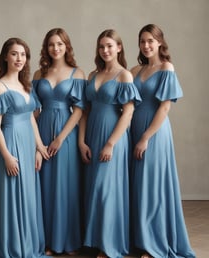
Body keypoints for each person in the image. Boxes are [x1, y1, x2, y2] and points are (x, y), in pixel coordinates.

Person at [130, 24, 196, 258]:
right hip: (133, 129)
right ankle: (139, 239)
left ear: (159, 42)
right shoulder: (135, 70)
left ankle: (154, 243)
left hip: (154, 132)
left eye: (150, 40)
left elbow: (165, 107)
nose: (146, 45)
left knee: (152, 186)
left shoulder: (167, 67)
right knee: (137, 186)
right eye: (142, 41)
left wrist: (145, 137)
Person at [78, 29, 141, 258]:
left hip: (113, 137)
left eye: (109, 46)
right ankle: (94, 241)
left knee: (108, 190)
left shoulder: (124, 75)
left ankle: (110, 244)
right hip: (92, 136)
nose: (105, 50)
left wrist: (111, 144)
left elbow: (128, 112)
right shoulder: (93, 75)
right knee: (93, 187)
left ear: (119, 48)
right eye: (101, 46)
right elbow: (84, 112)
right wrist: (81, 141)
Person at [0, 37, 50, 258]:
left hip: (27, 142)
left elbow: (31, 118)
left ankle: (28, 244)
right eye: (14, 53)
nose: (19, 58)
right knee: (12, 196)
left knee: (29, 196)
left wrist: (38, 148)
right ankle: (13, 248)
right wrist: (6, 156)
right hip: (11, 142)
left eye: (23, 54)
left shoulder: (26, 85)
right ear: (5, 56)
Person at [32, 28, 86, 255]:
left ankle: (69, 242)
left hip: (66, 133)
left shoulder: (77, 73)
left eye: (60, 44)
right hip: (42, 130)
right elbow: (32, 111)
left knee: (66, 187)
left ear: (67, 47)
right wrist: (35, 143)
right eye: (51, 44)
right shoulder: (37, 74)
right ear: (46, 47)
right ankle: (48, 242)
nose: (55, 48)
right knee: (44, 187)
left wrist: (60, 139)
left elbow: (79, 110)